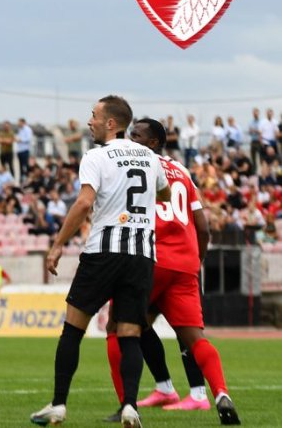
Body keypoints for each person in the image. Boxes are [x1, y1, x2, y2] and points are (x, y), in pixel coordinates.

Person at [30, 95, 170, 427]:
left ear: (110, 123)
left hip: (103, 253)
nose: (89, 121)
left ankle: (59, 404)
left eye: (93, 116)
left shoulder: (96, 156)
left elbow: (83, 203)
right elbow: (164, 193)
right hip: (140, 256)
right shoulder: (150, 157)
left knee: (72, 330)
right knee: (130, 333)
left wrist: (57, 245)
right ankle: (130, 406)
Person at [102, 118, 240, 425]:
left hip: (148, 259)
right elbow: (203, 227)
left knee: (116, 328)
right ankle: (220, 393)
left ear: (153, 142)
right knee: (194, 337)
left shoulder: (132, 166)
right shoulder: (183, 171)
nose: (130, 139)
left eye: (136, 135)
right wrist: (195, 262)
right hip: (184, 264)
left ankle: (127, 406)